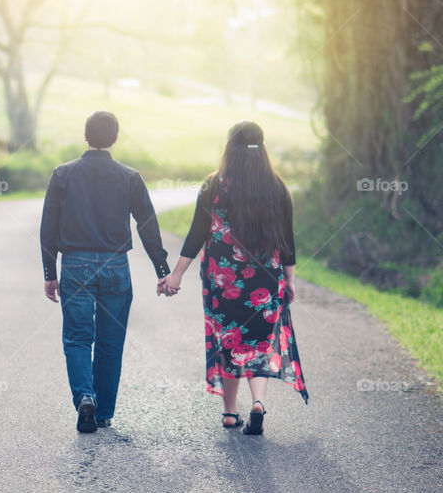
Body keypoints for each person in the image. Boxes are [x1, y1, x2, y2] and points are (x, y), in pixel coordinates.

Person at [161, 120, 308, 435]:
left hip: (223, 282)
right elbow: (287, 239)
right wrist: (291, 279)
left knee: (228, 340)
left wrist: (176, 274)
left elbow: (196, 234)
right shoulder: (277, 186)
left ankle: (230, 413)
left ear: (230, 148)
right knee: (261, 341)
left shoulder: (214, 184)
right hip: (266, 281)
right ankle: (257, 403)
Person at [40, 111, 171, 433]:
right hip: (115, 267)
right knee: (111, 342)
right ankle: (103, 413)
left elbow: (48, 228)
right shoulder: (129, 177)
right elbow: (147, 225)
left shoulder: (63, 174)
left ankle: (85, 396)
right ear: (115, 139)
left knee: (77, 338)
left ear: (85, 137)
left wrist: (49, 272)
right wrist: (162, 268)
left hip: (75, 265)